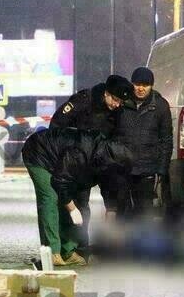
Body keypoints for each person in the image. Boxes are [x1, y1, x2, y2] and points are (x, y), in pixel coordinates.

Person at [22, 127, 131, 267]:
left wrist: (111, 218)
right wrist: (72, 209)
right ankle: (52, 252)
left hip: (61, 162)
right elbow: (59, 181)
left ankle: (68, 252)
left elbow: (109, 189)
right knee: (50, 198)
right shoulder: (79, 154)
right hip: (39, 153)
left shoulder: (110, 163)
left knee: (72, 202)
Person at [50, 74, 134, 247]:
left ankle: (87, 247)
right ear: (106, 93)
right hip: (74, 162)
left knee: (114, 200)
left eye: (121, 103)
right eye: (115, 100)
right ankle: (74, 246)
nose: (117, 105)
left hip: (99, 162)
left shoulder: (118, 111)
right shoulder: (84, 100)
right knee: (78, 203)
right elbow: (57, 124)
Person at [113, 67, 173, 218]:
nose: (140, 88)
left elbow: (166, 140)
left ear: (151, 85)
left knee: (144, 213)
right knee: (122, 212)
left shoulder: (160, 106)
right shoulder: (121, 103)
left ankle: (140, 240)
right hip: (122, 168)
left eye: (145, 85)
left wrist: (162, 170)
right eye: (137, 84)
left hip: (147, 169)